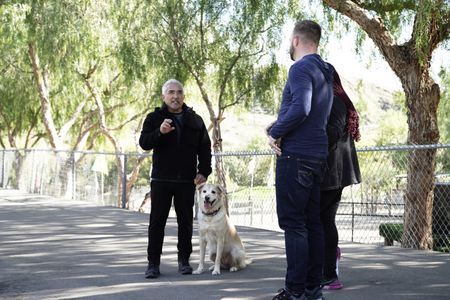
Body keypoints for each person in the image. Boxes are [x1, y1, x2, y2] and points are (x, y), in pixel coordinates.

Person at [267, 20, 334, 300]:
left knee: (294, 224)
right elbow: (313, 111)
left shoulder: (300, 67)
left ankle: (294, 292)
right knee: (313, 223)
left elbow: (302, 107)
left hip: (296, 157)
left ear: (296, 41)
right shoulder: (325, 70)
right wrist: (282, 122)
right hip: (318, 154)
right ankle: (312, 289)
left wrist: (275, 131)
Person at [139, 79, 212, 279]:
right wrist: (159, 132)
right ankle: (153, 263)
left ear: (183, 96)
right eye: (171, 92)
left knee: (186, 222)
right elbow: (144, 143)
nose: (175, 96)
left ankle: (184, 261)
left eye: (179, 92)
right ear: (164, 96)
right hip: (161, 179)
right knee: (157, 222)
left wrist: (204, 171)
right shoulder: (154, 118)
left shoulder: (195, 119)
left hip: (187, 181)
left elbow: (205, 147)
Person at [320, 66, 361, 290]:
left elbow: (332, 134)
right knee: (325, 220)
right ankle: (328, 268)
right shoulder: (333, 99)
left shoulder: (333, 101)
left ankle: (328, 272)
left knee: (320, 221)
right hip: (333, 172)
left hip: (332, 173)